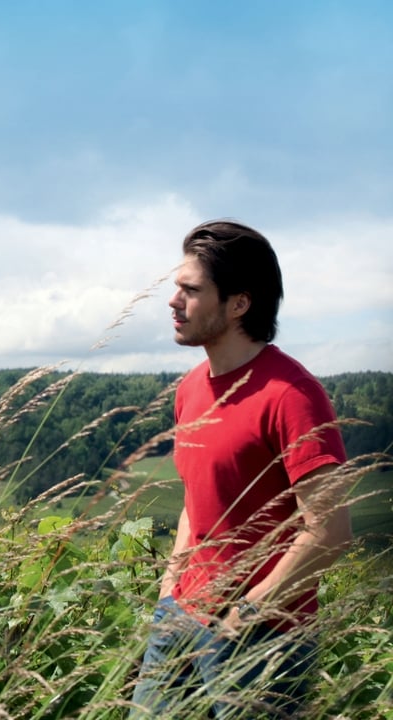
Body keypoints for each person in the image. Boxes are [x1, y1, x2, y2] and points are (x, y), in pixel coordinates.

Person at [131, 220, 351, 718]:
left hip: (261, 639)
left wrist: (249, 611)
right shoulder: (190, 389)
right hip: (180, 618)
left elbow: (331, 530)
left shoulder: (292, 395)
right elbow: (199, 498)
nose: (173, 301)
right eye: (176, 287)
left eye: (191, 290)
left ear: (238, 304)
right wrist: (171, 585)